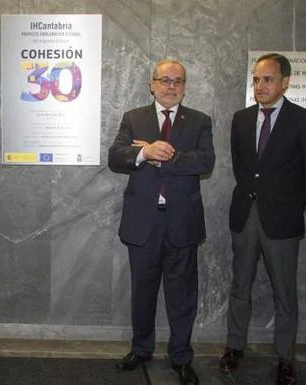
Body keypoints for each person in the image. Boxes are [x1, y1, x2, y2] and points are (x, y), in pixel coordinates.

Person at [108, 59, 215, 385]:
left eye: (177, 81)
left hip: (182, 222)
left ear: (184, 86)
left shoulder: (199, 121)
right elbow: (116, 156)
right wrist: (142, 153)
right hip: (143, 223)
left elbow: (205, 161)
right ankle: (141, 350)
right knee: (143, 293)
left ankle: (181, 357)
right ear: (152, 84)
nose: (171, 86)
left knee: (182, 297)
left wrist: (158, 154)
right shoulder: (133, 117)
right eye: (164, 80)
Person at [219, 53, 306, 385]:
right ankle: (234, 346)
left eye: (268, 79)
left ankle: (285, 357)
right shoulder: (241, 119)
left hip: (282, 221)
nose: (260, 86)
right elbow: (243, 166)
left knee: (285, 292)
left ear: (285, 82)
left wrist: (291, 204)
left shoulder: (300, 120)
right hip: (245, 216)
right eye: (256, 79)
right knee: (239, 286)